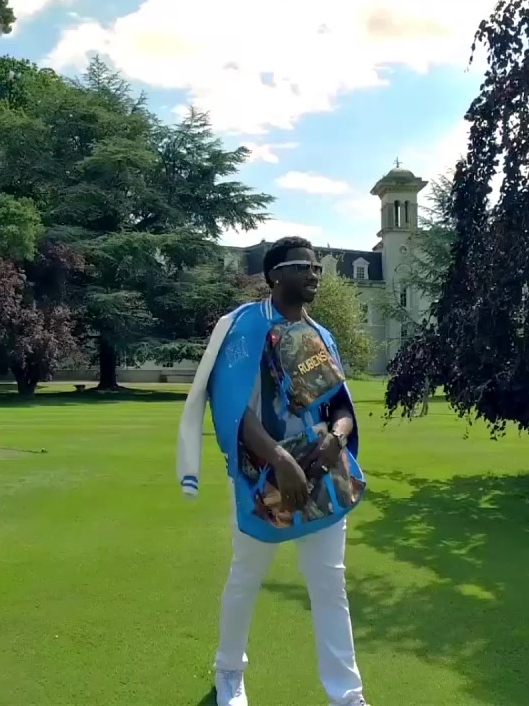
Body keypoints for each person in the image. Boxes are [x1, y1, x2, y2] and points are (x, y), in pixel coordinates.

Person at [176, 236, 369, 706]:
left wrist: (335, 439)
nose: (314, 275)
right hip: (260, 476)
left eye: (317, 268)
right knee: (247, 576)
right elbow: (230, 406)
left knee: (330, 585)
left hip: (321, 475)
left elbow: (341, 406)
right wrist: (279, 460)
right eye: (304, 267)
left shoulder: (322, 335)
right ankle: (229, 672)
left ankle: (347, 696)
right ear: (275, 276)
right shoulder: (244, 327)